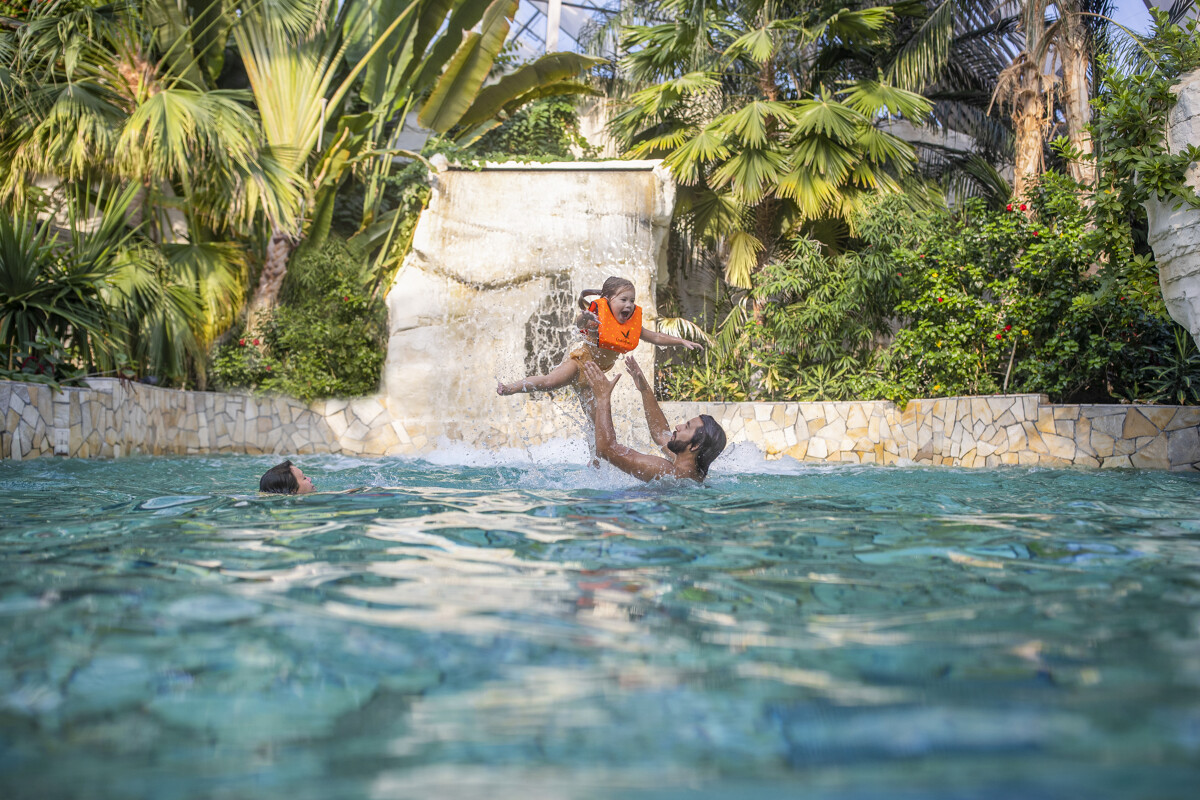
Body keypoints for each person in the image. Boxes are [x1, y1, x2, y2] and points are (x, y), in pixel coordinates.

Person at [496, 276, 702, 397]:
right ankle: (511, 388)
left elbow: (655, 337)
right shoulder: (597, 320)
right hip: (580, 361)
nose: (629, 304)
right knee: (550, 381)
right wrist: (584, 318)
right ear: (607, 301)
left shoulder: (629, 327)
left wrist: (681, 341)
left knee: (596, 424)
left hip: (597, 373)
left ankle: (595, 461)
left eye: (632, 300)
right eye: (623, 299)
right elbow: (580, 324)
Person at [581, 357, 726, 483]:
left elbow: (607, 449)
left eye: (687, 427)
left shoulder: (664, 471)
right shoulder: (693, 471)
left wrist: (603, 397)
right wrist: (645, 390)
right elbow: (660, 433)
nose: (678, 426)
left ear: (695, 446)